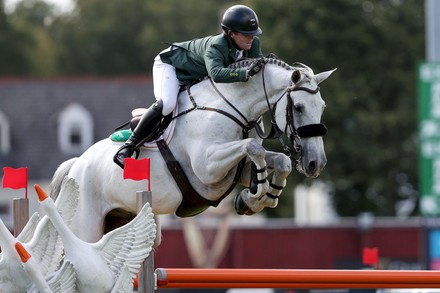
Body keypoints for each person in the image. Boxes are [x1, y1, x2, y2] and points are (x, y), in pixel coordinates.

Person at [114, 4, 265, 168]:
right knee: (167, 104)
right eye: (246, 34)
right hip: (171, 66)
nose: (251, 38)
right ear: (231, 33)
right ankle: (128, 147)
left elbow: (258, 69)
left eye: (253, 34)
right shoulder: (216, 45)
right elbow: (216, 74)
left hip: (195, 76)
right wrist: (245, 74)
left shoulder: (252, 45)